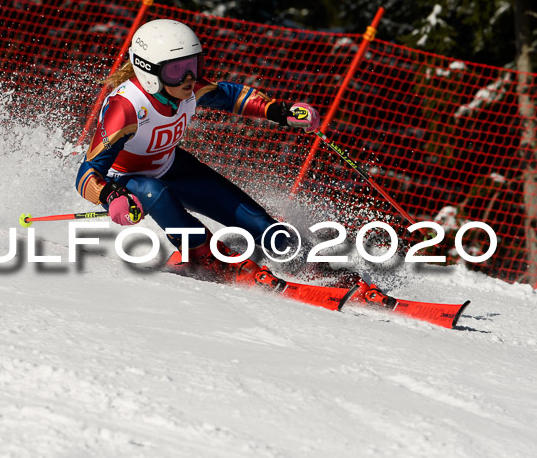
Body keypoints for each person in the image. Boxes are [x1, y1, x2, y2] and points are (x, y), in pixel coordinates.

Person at [75, 19, 388, 302]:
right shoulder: (126, 108)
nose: (188, 78)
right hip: (127, 181)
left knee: (262, 226)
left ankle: (308, 266)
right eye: (175, 70)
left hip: (170, 167)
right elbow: (87, 174)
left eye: (193, 65)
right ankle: (203, 256)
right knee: (155, 192)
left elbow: (231, 95)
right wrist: (111, 196)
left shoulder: (189, 89)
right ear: (149, 71)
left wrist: (280, 112)